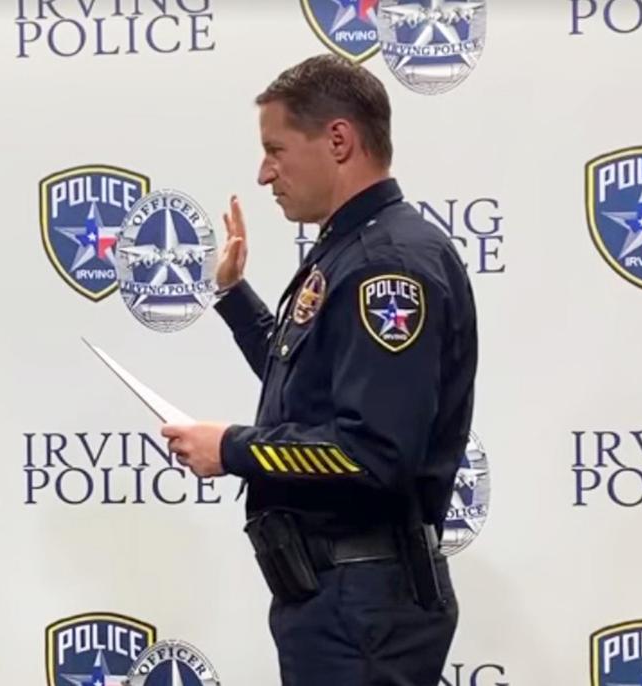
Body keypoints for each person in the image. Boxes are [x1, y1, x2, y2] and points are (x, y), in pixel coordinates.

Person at [162, 55, 478, 685]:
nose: (263, 173)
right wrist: (234, 297)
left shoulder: (386, 266)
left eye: (276, 149)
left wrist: (232, 448)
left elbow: (371, 453)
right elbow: (307, 388)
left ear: (338, 140)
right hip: (339, 598)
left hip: (361, 607)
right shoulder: (355, 249)